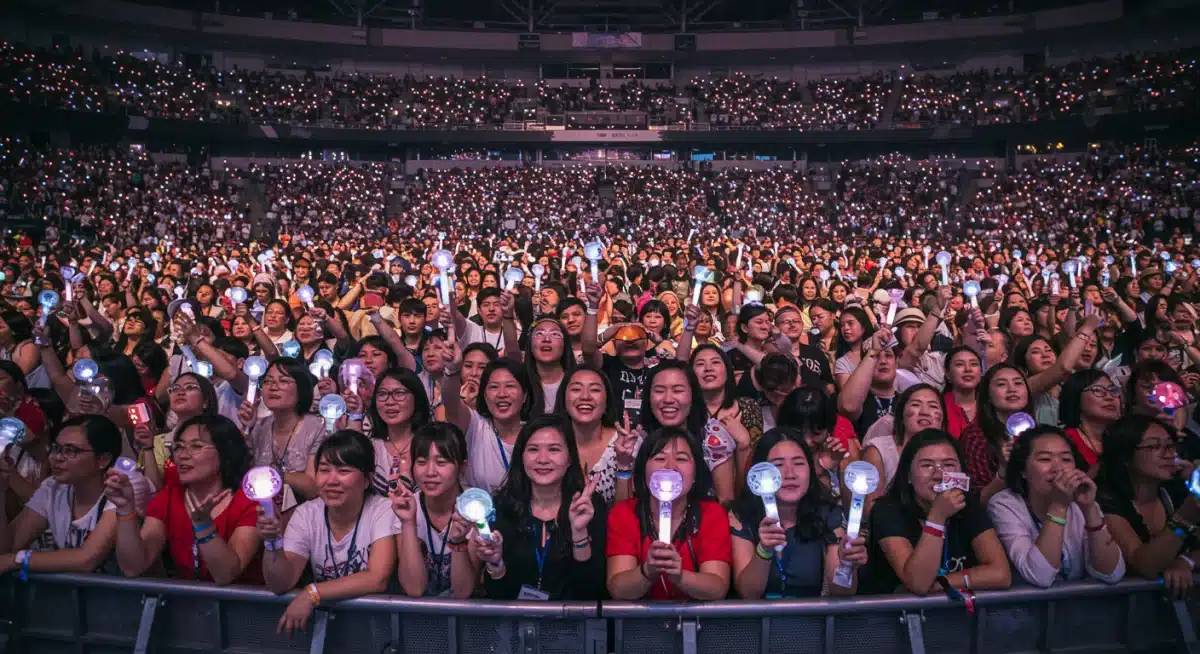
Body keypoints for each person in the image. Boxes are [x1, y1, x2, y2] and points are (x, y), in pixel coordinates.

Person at [256, 430, 399, 635]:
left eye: (343, 471)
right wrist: (272, 543)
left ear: (367, 479)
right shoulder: (306, 514)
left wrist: (313, 593)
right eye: (324, 470)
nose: (331, 480)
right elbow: (281, 583)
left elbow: (377, 578)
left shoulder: (382, 510)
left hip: (378, 628)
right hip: (329, 630)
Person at [463, 415, 607, 600]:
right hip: (515, 622)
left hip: (571, 624)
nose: (542, 459)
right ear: (521, 456)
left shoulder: (588, 507)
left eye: (554, 449)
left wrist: (579, 533)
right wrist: (495, 564)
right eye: (532, 449)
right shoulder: (502, 506)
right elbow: (497, 595)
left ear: (570, 458)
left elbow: (591, 592)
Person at [106, 415, 261, 585]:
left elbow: (226, 575)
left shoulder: (249, 502)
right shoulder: (170, 496)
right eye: (179, 447)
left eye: (196, 446)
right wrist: (125, 509)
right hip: (187, 606)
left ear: (226, 453)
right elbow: (133, 567)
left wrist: (203, 525)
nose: (182, 455)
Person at [863, 429, 1011, 596]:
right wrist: (937, 518)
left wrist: (943, 582)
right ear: (908, 476)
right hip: (892, 617)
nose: (939, 475)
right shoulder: (886, 511)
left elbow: (1001, 574)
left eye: (948, 465)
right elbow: (919, 583)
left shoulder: (968, 505)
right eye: (927, 465)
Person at [729, 428, 867, 598]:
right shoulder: (742, 515)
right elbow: (748, 593)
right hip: (759, 622)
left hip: (811, 621)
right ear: (759, 473)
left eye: (799, 463)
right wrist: (764, 550)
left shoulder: (827, 513)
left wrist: (847, 565)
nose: (790, 474)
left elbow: (842, 592)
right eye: (778, 465)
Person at [987, 426, 1124, 587]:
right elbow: (1041, 576)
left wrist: (1090, 508)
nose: (1058, 468)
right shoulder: (1004, 504)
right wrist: (1058, 506)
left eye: (1066, 459)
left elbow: (1112, 573)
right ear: (1023, 470)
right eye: (1045, 459)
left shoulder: (1081, 504)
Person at [605, 427, 732, 601]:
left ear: (695, 473)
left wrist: (680, 576)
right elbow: (618, 589)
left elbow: (718, 588)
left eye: (681, 458)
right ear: (643, 471)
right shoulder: (624, 513)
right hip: (640, 625)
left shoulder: (712, 514)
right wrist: (647, 571)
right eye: (659, 458)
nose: (670, 467)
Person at [0, 415, 122, 575]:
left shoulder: (121, 489)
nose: (56, 458)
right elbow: (7, 549)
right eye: (56, 448)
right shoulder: (53, 488)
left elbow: (86, 559)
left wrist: (17, 560)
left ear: (103, 460)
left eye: (70, 451)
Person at [1096, 414, 1200, 599]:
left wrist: (1186, 561)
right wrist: (1185, 518)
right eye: (1154, 446)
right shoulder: (1106, 502)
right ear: (1125, 456)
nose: (1170, 454)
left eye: (1170, 445)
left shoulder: (1176, 491)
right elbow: (1145, 565)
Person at [391, 422, 475, 598]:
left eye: (441, 462)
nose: (430, 472)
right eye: (421, 462)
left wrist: (459, 541)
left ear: (462, 467)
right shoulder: (405, 505)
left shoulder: (475, 509)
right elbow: (414, 588)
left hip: (466, 618)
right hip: (418, 618)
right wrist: (408, 522)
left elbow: (463, 593)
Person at [639, 360, 737, 503]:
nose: (668, 399)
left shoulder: (713, 438)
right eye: (659, 391)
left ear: (693, 395)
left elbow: (725, 501)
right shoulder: (638, 440)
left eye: (678, 390)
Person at [239, 358, 326, 504]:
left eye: (283, 381)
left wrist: (277, 475)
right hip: (261, 511)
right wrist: (246, 428)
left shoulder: (316, 428)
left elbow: (314, 488)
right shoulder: (258, 427)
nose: (273, 387)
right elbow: (239, 473)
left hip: (304, 512)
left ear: (301, 388)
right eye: (267, 381)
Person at [443, 352, 533, 494]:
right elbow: (451, 402)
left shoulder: (535, 434)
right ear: (484, 395)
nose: (502, 394)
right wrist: (452, 370)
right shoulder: (475, 426)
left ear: (525, 396)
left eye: (510, 386)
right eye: (494, 387)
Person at [558, 366, 640, 504]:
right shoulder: (548, 442)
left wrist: (623, 465)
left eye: (595, 390)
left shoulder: (627, 443)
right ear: (564, 397)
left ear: (607, 399)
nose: (585, 397)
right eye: (576, 389)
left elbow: (625, 517)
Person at [958, 363, 1034, 503]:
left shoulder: (1039, 433)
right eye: (1001, 384)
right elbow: (978, 501)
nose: (1012, 389)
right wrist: (1004, 469)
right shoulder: (974, 437)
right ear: (988, 396)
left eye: (1018, 383)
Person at [361, 369, 432, 495]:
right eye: (382, 394)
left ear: (416, 398)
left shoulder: (431, 445)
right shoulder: (369, 447)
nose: (390, 402)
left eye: (399, 393)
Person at [1059, 369, 1123, 473]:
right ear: (1076, 396)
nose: (1109, 396)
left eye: (1112, 390)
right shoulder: (1065, 441)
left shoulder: (1124, 438)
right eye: (1098, 390)